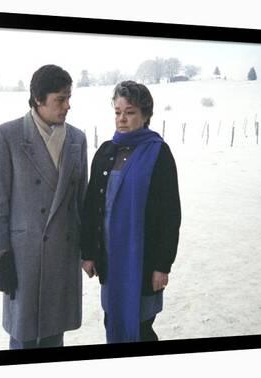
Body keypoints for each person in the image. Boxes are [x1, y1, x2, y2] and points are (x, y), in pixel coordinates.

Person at [0, 64, 88, 349]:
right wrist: (0, 256)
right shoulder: (7, 136)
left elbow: (82, 203)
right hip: (23, 259)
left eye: (69, 97)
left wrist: (89, 250)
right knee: (24, 338)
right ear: (39, 99)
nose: (68, 105)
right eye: (60, 99)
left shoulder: (77, 139)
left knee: (55, 337)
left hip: (62, 255)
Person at [80, 81, 181, 343]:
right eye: (117, 112)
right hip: (111, 260)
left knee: (142, 327)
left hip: (143, 261)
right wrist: (88, 253)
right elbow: (92, 207)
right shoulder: (105, 152)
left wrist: (162, 265)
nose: (122, 119)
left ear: (146, 115)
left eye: (130, 112)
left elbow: (171, 215)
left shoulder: (159, 153)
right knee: (111, 319)